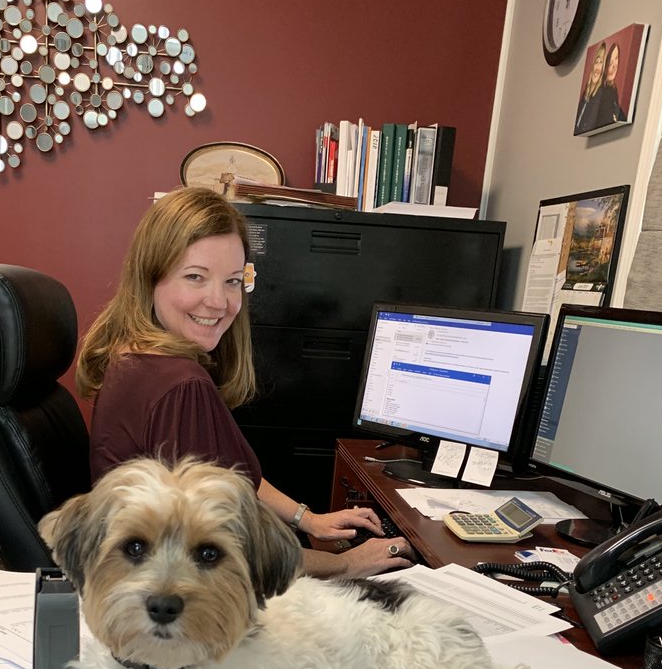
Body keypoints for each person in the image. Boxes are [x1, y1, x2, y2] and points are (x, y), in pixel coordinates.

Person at [76, 186, 415, 578]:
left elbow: (232, 476)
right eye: (195, 277)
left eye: (233, 281)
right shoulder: (181, 385)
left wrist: (307, 519)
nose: (219, 302)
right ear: (150, 277)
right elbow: (235, 556)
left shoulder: (132, 358)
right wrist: (347, 563)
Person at [593, 43, 626, 129]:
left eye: (616, 58)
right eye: (610, 60)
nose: (614, 65)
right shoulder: (600, 92)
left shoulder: (612, 89)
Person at [575, 42, 606, 134]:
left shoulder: (600, 94)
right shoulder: (585, 92)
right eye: (596, 62)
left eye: (601, 62)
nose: (597, 68)